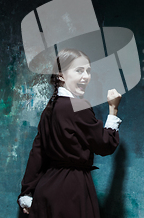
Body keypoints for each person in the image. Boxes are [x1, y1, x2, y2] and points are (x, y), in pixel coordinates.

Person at [17, 48, 122, 217]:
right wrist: (113, 109)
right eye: (79, 70)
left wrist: (27, 192)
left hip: (46, 192)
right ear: (61, 75)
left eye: (88, 71)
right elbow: (105, 145)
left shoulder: (49, 110)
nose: (86, 76)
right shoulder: (78, 106)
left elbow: (37, 153)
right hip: (72, 192)